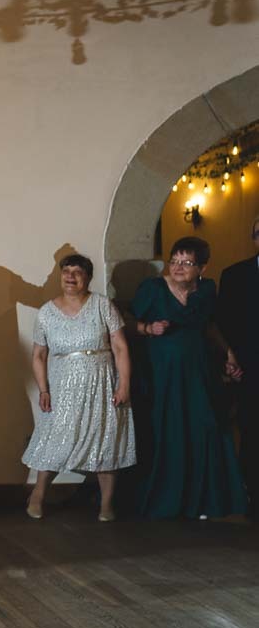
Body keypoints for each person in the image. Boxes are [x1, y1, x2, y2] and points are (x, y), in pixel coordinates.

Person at [127, 236, 246, 520]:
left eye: (187, 262)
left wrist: (229, 353)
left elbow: (209, 326)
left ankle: (205, 501)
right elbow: (126, 322)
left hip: (199, 372)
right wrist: (148, 328)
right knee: (168, 429)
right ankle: (167, 501)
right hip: (162, 374)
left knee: (205, 428)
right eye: (174, 261)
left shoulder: (206, 290)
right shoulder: (153, 289)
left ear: (202, 268)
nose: (178, 267)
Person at [22, 253, 135, 522]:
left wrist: (124, 385)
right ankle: (37, 495)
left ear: (88, 277)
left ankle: (106, 504)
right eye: (66, 272)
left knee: (105, 440)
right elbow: (38, 355)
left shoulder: (102, 305)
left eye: (77, 272)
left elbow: (120, 347)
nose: (70, 277)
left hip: (102, 384)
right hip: (63, 387)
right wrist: (44, 389)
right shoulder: (47, 312)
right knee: (54, 441)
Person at [217, 214, 259, 518]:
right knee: (252, 433)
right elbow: (224, 322)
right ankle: (254, 498)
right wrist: (229, 360)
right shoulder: (235, 275)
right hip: (250, 368)